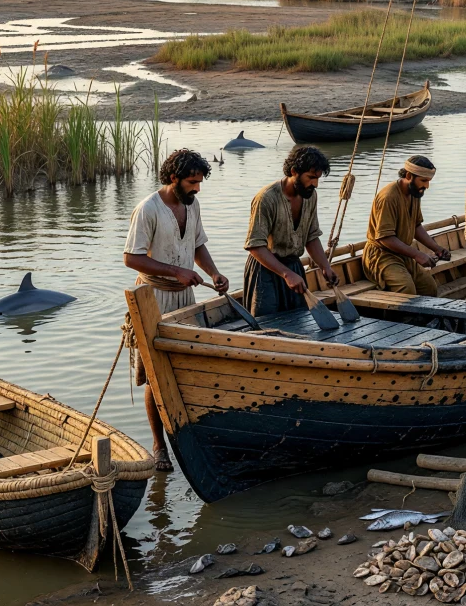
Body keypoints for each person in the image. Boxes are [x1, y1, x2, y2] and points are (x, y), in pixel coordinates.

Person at [123, 148, 229, 472]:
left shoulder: (191, 204)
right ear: (174, 178)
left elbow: (197, 245)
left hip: (185, 302)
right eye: (193, 182)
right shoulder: (148, 209)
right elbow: (131, 258)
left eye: (199, 182)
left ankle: (188, 437)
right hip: (153, 300)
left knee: (184, 371)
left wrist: (213, 273)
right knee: (155, 378)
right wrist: (176, 271)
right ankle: (159, 447)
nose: (197, 188)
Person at [243, 145, 339, 317]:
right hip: (265, 271)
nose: (315, 184)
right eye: (310, 177)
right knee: (267, 325)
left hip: (294, 267)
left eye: (317, 179)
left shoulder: (310, 196)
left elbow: (311, 237)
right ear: (294, 171)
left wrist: (325, 266)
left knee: (298, 320)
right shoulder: (266, 198)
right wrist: (286, 274)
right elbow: (255, 246)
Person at [362, 155, 451, 296]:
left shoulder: (415, 193)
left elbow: (416, 226)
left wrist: (437, 249)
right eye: (424, 181)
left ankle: (422, 318)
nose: (427, 186)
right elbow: (385, 238)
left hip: (403, 254)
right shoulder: (388, 197)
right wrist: (417, 254)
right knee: (406, 290)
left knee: (429, 288)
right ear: (409, 175)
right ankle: (392, 318)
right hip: (381, 256)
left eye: (428, 181)